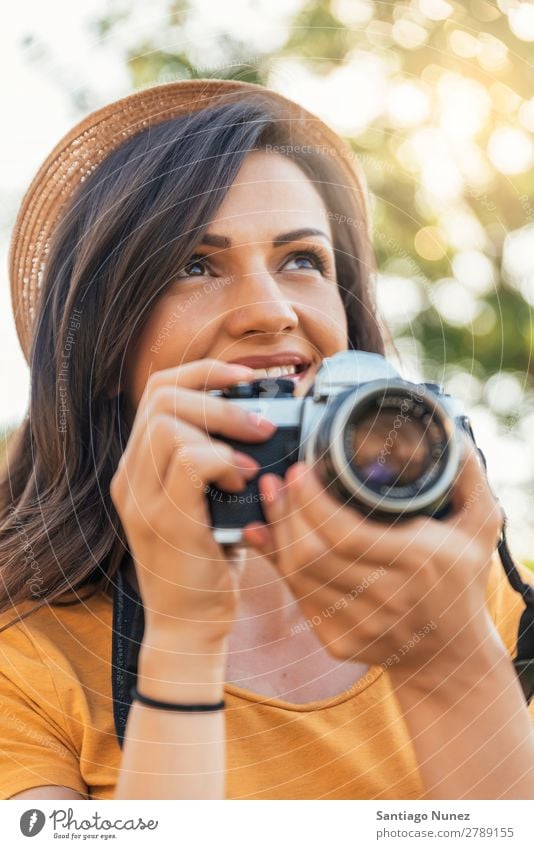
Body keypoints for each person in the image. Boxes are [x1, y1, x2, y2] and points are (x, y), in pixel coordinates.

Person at [0, 79, 533, 802]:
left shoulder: (497, 596)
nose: (271, 311)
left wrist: (449, 660)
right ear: (100, 347)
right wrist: (182, 638)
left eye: (303, 260)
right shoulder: (25, 664)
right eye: (195, 265)